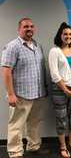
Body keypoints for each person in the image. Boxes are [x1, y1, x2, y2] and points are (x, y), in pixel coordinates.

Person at [1, 18, 48, 158]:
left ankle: (33, 146)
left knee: (35, 123)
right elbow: (6, 71)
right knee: (16, 125)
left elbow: (41, 68)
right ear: (19, 29)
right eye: (26, 26)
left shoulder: (38, 46)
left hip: (38, 93)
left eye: (32, 26)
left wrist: (44, 88)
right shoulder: (12, 46)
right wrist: (10, 94)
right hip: (21, 94)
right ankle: (15, 152)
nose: (29, 29)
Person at [48, 22, 71, 158]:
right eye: (65, 34)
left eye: (70, 34)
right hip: (59, 89)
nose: (68, 36)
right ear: (60, 35)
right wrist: (65, 90)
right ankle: (62, 146)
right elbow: (54, 74)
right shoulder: (54, 51)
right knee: (61, 119)